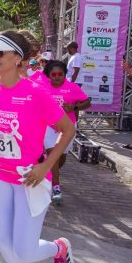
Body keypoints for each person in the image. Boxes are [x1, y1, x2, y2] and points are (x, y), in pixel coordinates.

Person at [0, 30, 76, 263]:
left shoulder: (36, 93)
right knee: (1, 242)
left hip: (28, 178)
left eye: (0, 53)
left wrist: (45, 166)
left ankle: (58, 248)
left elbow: (67, 130)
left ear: (18, 59)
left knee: (26, 250)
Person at [43, 60, 91, 204]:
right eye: (54, 74)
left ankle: (53, 171)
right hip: (50, 127)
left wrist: (74, 108)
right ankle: (56, 187)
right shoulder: (42, 87)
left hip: (67, 128)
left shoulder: (72, 88)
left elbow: (87, 102)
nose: (57, 77)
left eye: (60, 74)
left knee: (61, 157)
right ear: (48, 76)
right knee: (53, 154)